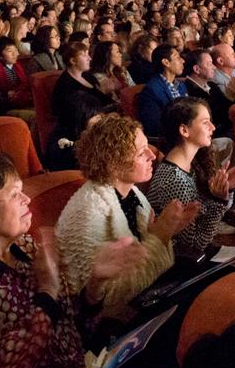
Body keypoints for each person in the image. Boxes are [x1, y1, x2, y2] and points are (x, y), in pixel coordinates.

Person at [0, 151, 147, 368]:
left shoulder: (25, 247)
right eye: (14, 195)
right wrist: (47, 294)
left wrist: (94, 285)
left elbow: (72, 328)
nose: (27, 199)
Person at [54, 113, 199, 324]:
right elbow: (106, 303)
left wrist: (168, 232)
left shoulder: (132, 193)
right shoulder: (88, 212)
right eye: (141, 153)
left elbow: (150, 269)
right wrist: (160, 237)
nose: (152, 155)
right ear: (113, 164)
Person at [145, 97, 235, 261]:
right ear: (184, 131)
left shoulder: (191, 165)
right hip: (180, 263)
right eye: (205, 122)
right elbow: (195, 244)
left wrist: (228, 189)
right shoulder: (174, 180)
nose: (213, 128)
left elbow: (206, 217)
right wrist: (219, 201)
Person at [137, 43, 186, 138]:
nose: (183, 61)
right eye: (178, 57)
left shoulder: (181, 85)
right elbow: (154, 127)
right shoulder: (151, 91)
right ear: (166, 62)